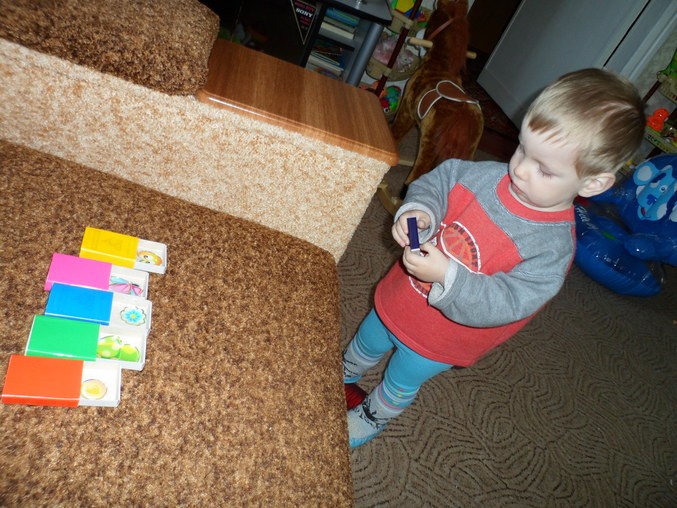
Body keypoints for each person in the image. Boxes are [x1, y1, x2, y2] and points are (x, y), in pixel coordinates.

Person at [343, 68, 646, 448]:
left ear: (593, 183)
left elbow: (508, 302)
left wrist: (448, 276)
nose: (519, 169)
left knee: (400, 380)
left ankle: (373, 415)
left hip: (441, 338)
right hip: (400, 297)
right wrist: (420, 209)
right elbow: (440, 180)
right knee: (368, 337)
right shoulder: (485, 176)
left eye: (544, 169)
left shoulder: (551, 248)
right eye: (522, 148)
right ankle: (346, 368)